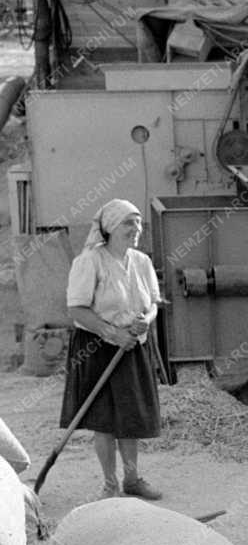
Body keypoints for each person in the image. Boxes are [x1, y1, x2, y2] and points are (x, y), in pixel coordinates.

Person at [61, 198, 163, 501]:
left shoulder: (141, 261)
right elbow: (76, 310)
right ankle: (110, 484)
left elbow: (154, 303)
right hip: (97, 347)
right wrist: (112, 333)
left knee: (130, 418)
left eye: (138, 222)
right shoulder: (90, 261)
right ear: (109, 227)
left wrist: (146, 319)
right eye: (128, 223)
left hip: (133, 347)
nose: (136, 229)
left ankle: (132, 479)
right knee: (104, 420)